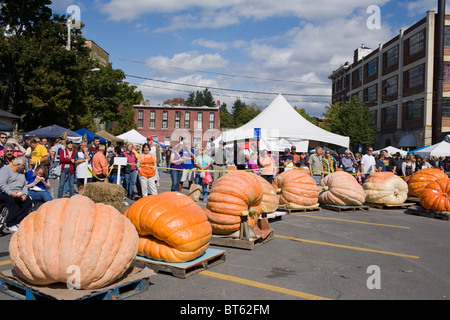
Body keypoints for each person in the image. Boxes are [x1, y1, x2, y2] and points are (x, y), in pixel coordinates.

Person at [0, 157, 32, 232]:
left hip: (18, 192)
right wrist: (11, 193)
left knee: (28, 202)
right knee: (11, 200)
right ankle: (10, 223)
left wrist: (24, 194)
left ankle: (18, 220)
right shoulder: (5, 170)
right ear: (18, 165)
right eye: (23, 166)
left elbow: (24, 184)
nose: (24, 168)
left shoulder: (21, 172)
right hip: (6, 192)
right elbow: (2, 184)